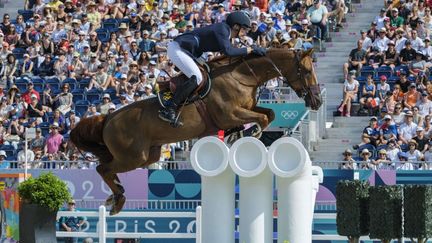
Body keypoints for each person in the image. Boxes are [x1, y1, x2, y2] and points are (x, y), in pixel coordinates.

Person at [158, 11, 266, 126]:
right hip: (178, 49)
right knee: (198, 78)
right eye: (244, 29)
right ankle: (169, 109)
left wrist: (251, 50)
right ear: (236, 26)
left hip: (189, 52)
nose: (245, 32)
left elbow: (229, 51)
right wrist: (250, 50)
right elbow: (229, 52)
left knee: (207, 72)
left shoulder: (226, 33)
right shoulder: (223, 30)